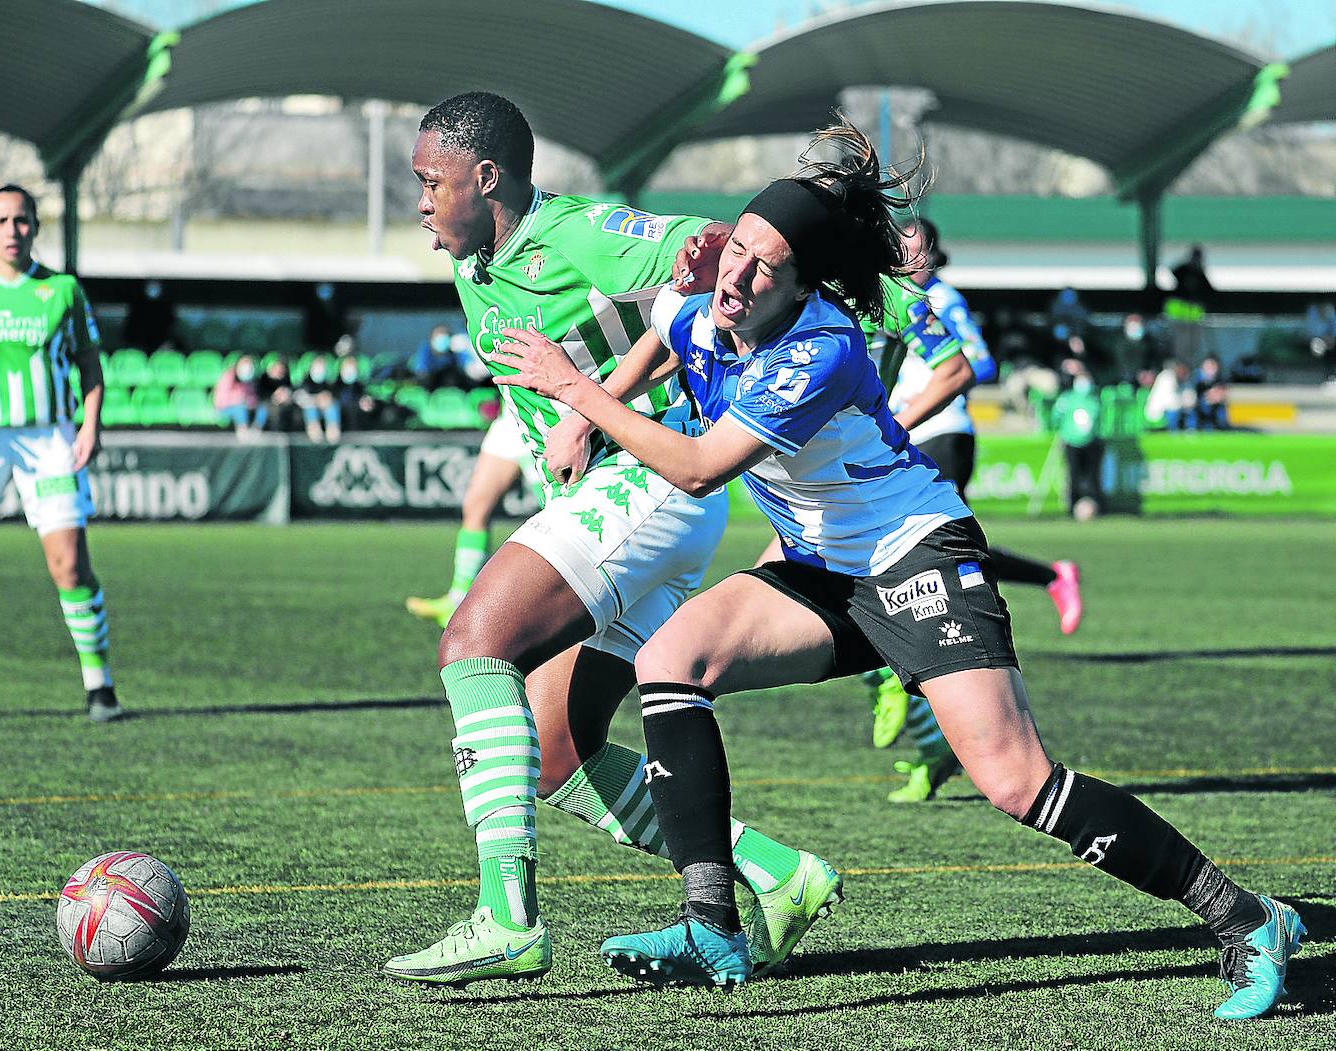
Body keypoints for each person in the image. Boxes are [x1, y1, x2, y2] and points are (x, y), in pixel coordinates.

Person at [492, 121, 1303, 1017]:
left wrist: (581, 394)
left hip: (913, 558)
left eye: (765, 265)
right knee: (669, 663)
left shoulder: (821, 347)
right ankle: (709, 919)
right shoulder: (708, 305)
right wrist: (589, 418)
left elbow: (696, 466)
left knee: (1016, 781)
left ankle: (1248, 917)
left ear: (801, 284)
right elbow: (667, 337)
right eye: (737, 248)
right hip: (824, 570)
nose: (737, 273)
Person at [380, 92, 840, 990]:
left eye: (432, 184)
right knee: (555, 753)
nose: (422, 203)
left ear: (488, 178)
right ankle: (778, 872)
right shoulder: (480, 259)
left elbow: (711, 256)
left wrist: (601, 404)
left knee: (475, 641)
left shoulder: (584, 232)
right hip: (641, 504)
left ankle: (505, 918)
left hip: (649, 483)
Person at [865, 219, 1083, 802]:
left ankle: (895, 681)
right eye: (897, 247)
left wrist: (909, 395)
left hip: (939, 432)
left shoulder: (936, 300)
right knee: (916, 555)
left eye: (914, 248)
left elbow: (976, 363)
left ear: (934, 254)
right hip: (907, 435)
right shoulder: (879, 296)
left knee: (925, 554)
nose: (905, 257)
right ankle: (919, 720)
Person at [0, 185, 124, 722]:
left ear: (36, 226)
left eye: (22, 220)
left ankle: (99, 685)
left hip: (48, 439)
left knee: (70, 566)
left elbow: (90, 364)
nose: (13, 230)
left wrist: (90, 426)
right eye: (2, 221)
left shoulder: (61, 290)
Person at [405, 404, 539, 627]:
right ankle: (458, 600)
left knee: (562, 508)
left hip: (543, 416)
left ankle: (594, 601)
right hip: (511, 419)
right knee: (476, 506)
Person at [1051, 358, 1105, 519]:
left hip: (1091, 442)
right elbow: (1056, 417)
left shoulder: (1094, 398)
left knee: (1092, 477)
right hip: (1071, 441)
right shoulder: (1067, 398)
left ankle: (1096, 506)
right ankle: (1073, 507)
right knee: (1073, 477)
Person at [213, 354, 267, 435]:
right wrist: (236, 400)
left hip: (247, 408)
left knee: (263, 408)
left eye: (249, 365)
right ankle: (242, 431)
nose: (247, 367)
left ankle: (256, 430)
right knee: (239, 408)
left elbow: (253, 398)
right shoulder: (228, 377)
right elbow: (219, 400)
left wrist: (250, 402)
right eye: (244, 364)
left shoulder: (252, 380)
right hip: (225, 408)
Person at [295, 354, 342, 443]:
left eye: (321, 366)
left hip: (326, 409)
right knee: (309, 407)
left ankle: (333, 429)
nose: (319, 369)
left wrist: (328, 398)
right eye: (316, 366)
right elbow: (299, 397)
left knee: (332, 406)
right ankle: (313, 428)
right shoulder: (304, 382)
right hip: (308, 411)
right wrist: (315, 399)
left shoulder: (329, 383)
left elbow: (335, 396)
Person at [1193, 354, 1230, 430]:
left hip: (1215, 407)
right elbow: (1192, 397)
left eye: (1213, 366)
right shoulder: (1196, 379)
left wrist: (1215, 397)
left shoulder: (1220, 379)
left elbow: (1222, 395)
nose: (1211, 369)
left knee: (1221, 411)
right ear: (1203, 367)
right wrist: (1208, 397)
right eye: (1209, 366)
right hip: (1198, 407)